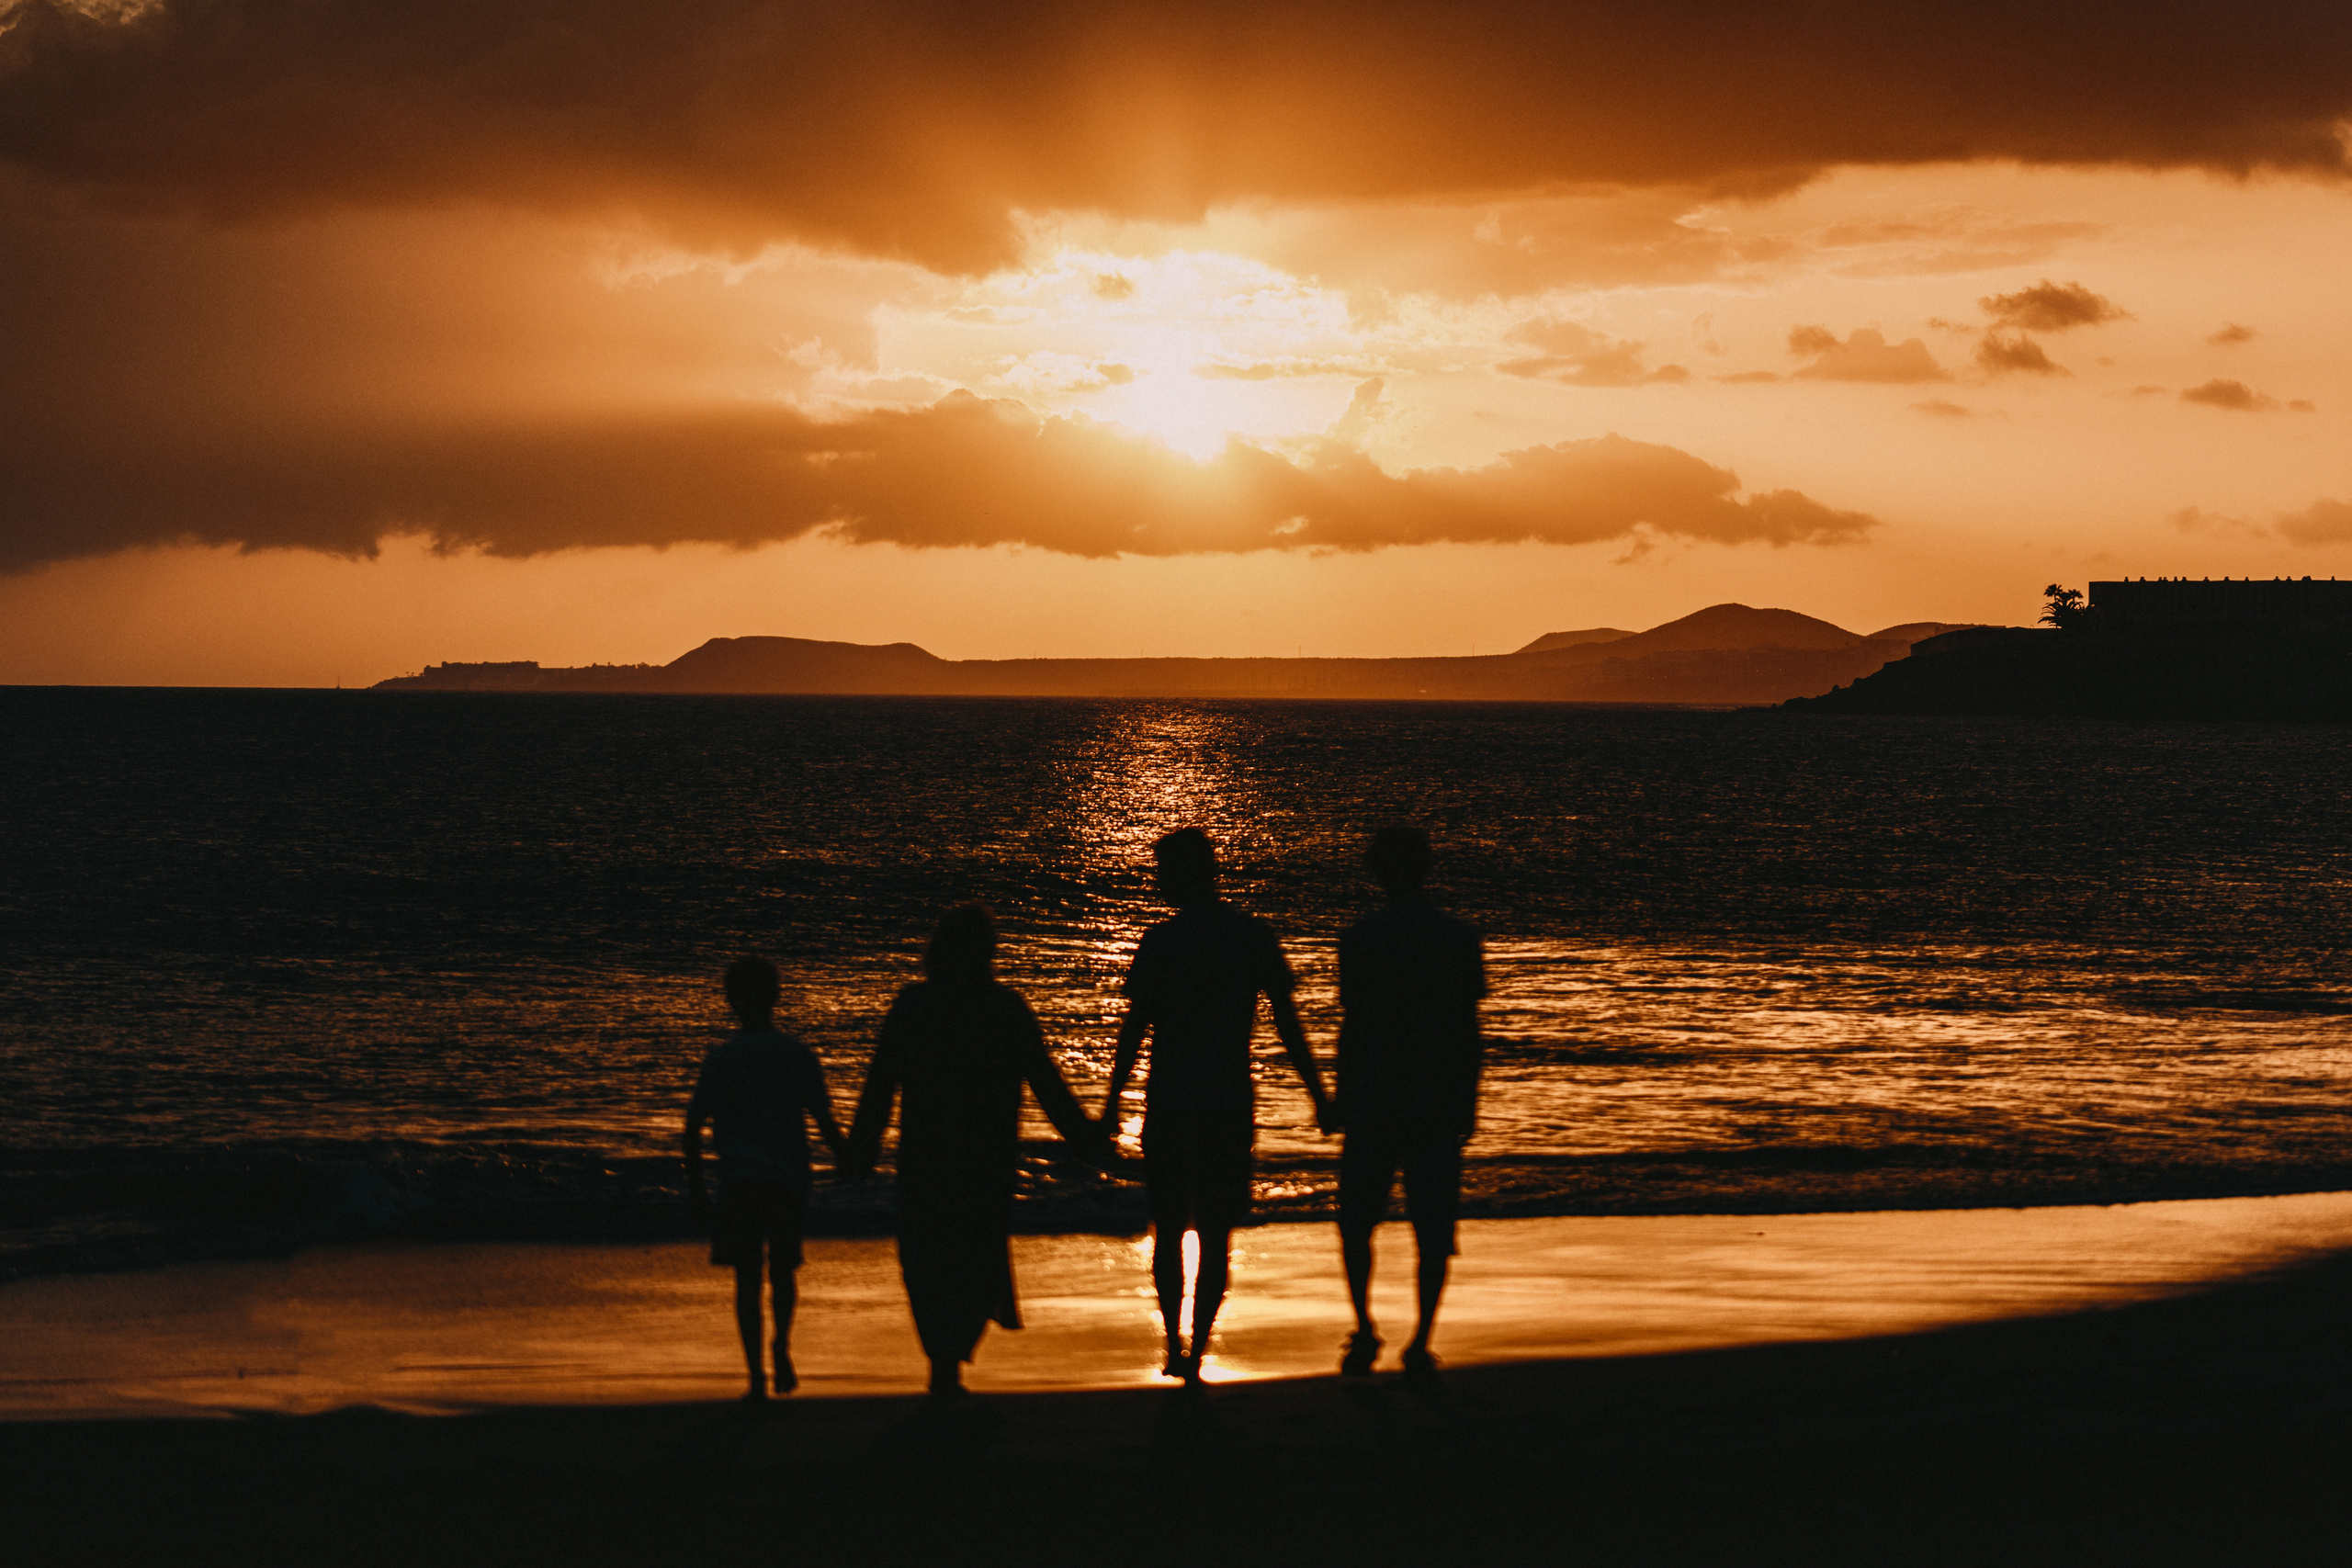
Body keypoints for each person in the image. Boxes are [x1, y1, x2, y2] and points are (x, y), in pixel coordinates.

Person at [844, 905, 1118, 1398]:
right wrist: (1088, 1140)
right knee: (973, 1256)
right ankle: (948, 1361)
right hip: (983, 1157)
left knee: (927, 1259)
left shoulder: (917, 1006)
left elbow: (880, 1087)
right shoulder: (1003, 1008)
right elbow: (1047, 1084)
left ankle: (944, 1362)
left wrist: (860, 1152)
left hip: (929, 1155)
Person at [1102, 828, 1336, 1384]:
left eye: (1163, 869)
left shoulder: (1161, 941)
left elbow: (1136, 1028)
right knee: (1213, 1233)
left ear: (1186, 873)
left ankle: (1176, 1345)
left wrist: (1112, 1100)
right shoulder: (1250, 935)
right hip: (1226, 1102)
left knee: (1168, 1227)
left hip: (1172, 1103)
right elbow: (1288, 1023)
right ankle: (1196, 1349)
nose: (1157, 879)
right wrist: (1318, 1092)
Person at [1333, 826, 1487, 1381]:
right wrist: (1467, 1101)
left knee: (1356, 1221)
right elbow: (1467, 1031)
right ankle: (1421, 1337)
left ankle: (1366, 1324)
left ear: (1378, 871)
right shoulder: (1456, 936)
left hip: (1376, 1095)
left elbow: (1353, 1026)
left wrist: (1338, 1095)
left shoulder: (1363, 936)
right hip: (1435, 1096)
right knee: (1432, 1225)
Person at [684, 954, 848, 1401]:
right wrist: (851, 1164)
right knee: (783, 1270)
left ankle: (755, 1373)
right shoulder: (796, 1055)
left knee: (747, 1279)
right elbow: (825, 1121)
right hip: (788, 1178)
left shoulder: (722, 1058)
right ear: (775, 996)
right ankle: (781, 1344)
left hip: (738, 1179)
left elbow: (692, 1127)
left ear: (731, 1000)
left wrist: (698, 1188)